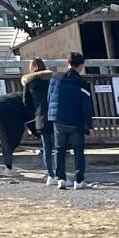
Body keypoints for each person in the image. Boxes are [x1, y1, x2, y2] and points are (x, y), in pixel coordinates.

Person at [47, 51, 94, 191]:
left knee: (59, 149)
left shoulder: (55, 78)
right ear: (81, 65)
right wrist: (89, 126)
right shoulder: (82, 83)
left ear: (67, 63)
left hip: (57, 119)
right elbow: (86, 107)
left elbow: (49, 98)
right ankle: (79, 180)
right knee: (78, 151)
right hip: (75, 121)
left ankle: (61, 178)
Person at [21, 58, 55, 183]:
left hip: (40, 116)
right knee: (58, 146)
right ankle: (60, 173)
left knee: (46, 147)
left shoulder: (29, 83)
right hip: (54, 115)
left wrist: (35, 111)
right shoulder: (51, 79)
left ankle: (51, 175)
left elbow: (26, 101)